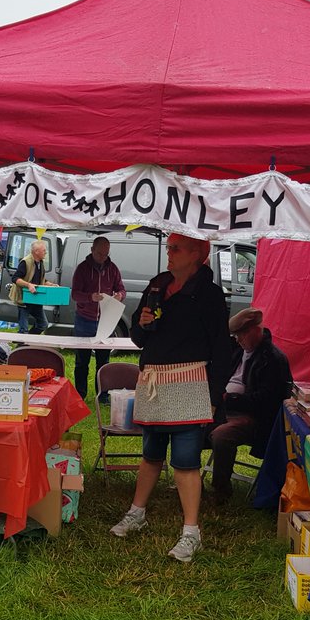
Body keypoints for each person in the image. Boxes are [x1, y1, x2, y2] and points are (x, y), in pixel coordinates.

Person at [109, 232, 231, 562]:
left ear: (197, 254)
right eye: (169, 247)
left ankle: (191, 532)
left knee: (186, 462)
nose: (169, 252)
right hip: (154, 380)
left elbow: (222, 347)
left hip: (190, 381)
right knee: (150, 453)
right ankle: (137, 513)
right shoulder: (157, 285)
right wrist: (144, 324)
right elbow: (137, 336)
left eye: (176, 248)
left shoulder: (209, 294)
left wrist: (215, 392)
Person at [208, 308, 293, 504]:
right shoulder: (238, 351)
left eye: (241, 334)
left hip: (254, 417)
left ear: (256, 330)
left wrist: (231, 399)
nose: (238, 339)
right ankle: (189, 480)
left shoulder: (272, 359)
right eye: (235, 335)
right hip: (226, 408)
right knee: (194, 424)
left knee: (222, 436)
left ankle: (220, 492)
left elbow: (267, 401)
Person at [69, 235, 126, 399]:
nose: (103, 257)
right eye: (100, 253)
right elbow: (75, 294)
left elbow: (122, 289)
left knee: (104, 361)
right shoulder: (82, 269)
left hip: (105, 320)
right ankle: (80, 394)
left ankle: (103, 395)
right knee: (82, 361)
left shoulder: (113, 268)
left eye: (106, 254)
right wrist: (90, 297)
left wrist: (119, 296)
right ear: (92, 250)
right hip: (84, 319)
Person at [12, 240, 55, 335]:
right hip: (24, 300)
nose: (46, 252)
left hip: (36, 299)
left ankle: (28, 342)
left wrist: (50, 284)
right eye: (44, 250)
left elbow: (40, 279)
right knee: (24, 330)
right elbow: (15, 278)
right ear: (36, 251)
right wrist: (28, 285)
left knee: (43, 324)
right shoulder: (25, 262)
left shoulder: (41, 262)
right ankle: (21, 347)